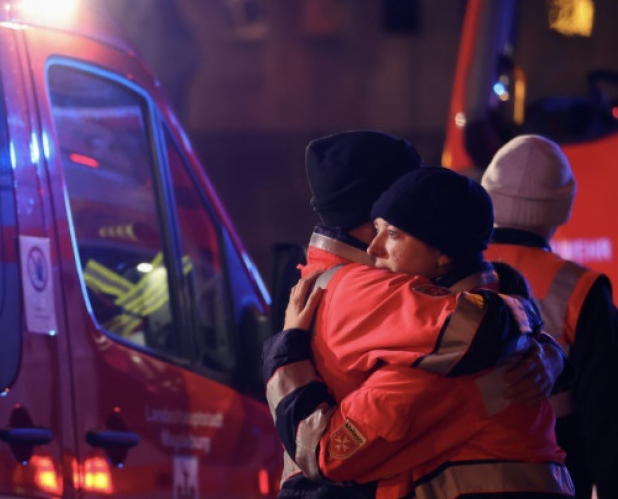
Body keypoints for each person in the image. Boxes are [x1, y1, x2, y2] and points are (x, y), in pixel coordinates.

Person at [263, 132, 564, 498]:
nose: (378, 247)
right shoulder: (372, 289)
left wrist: (542, 346)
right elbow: (479, 328)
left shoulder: (329, 277)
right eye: (383, 226)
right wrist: (530, 324)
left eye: (392, 232)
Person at [482, 134, 618, 499]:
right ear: (561, 208)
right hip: (555, 473)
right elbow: (604, 412)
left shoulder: (451, 269)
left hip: (462, 466)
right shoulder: (582, 287)